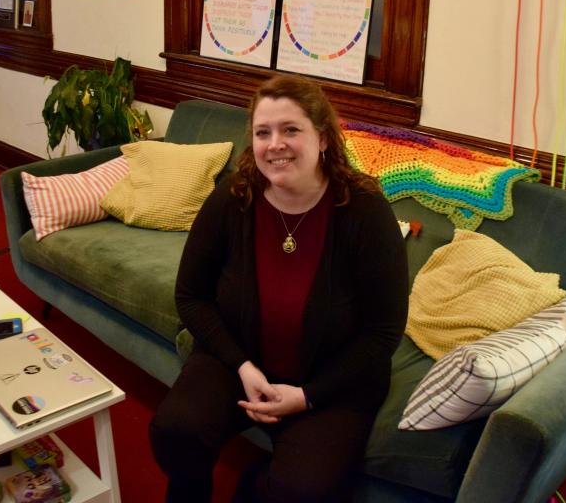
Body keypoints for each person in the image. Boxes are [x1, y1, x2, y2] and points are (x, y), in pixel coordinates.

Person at [150, 75, 409, 502]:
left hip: (331, 379)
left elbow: (383, 332)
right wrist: (242, 366)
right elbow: (191, 296)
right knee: (175, 431)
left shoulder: (366, 211)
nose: (275, 144)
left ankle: (254, 484)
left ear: (322, 138)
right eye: (263, 132)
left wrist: (308, 397)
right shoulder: (234, 198)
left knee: (299, 491)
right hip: (240, 358)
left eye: (291, 129)